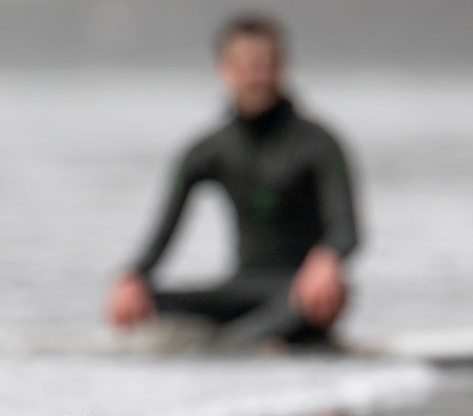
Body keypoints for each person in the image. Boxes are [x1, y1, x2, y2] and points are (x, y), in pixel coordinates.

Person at [105, 13, 361, 348]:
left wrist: (326, 258)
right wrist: (131, 277)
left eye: (265, 64)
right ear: (223, 68)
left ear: (283, 67)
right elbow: (162, 236)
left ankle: (236, 346)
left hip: (300, 294)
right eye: (246, 65)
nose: (257, 75)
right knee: (145, 303)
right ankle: (246, 343)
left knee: (323, 294)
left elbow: (347, 232)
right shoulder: (207, 151)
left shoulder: (319, 144)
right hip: (239, 288)